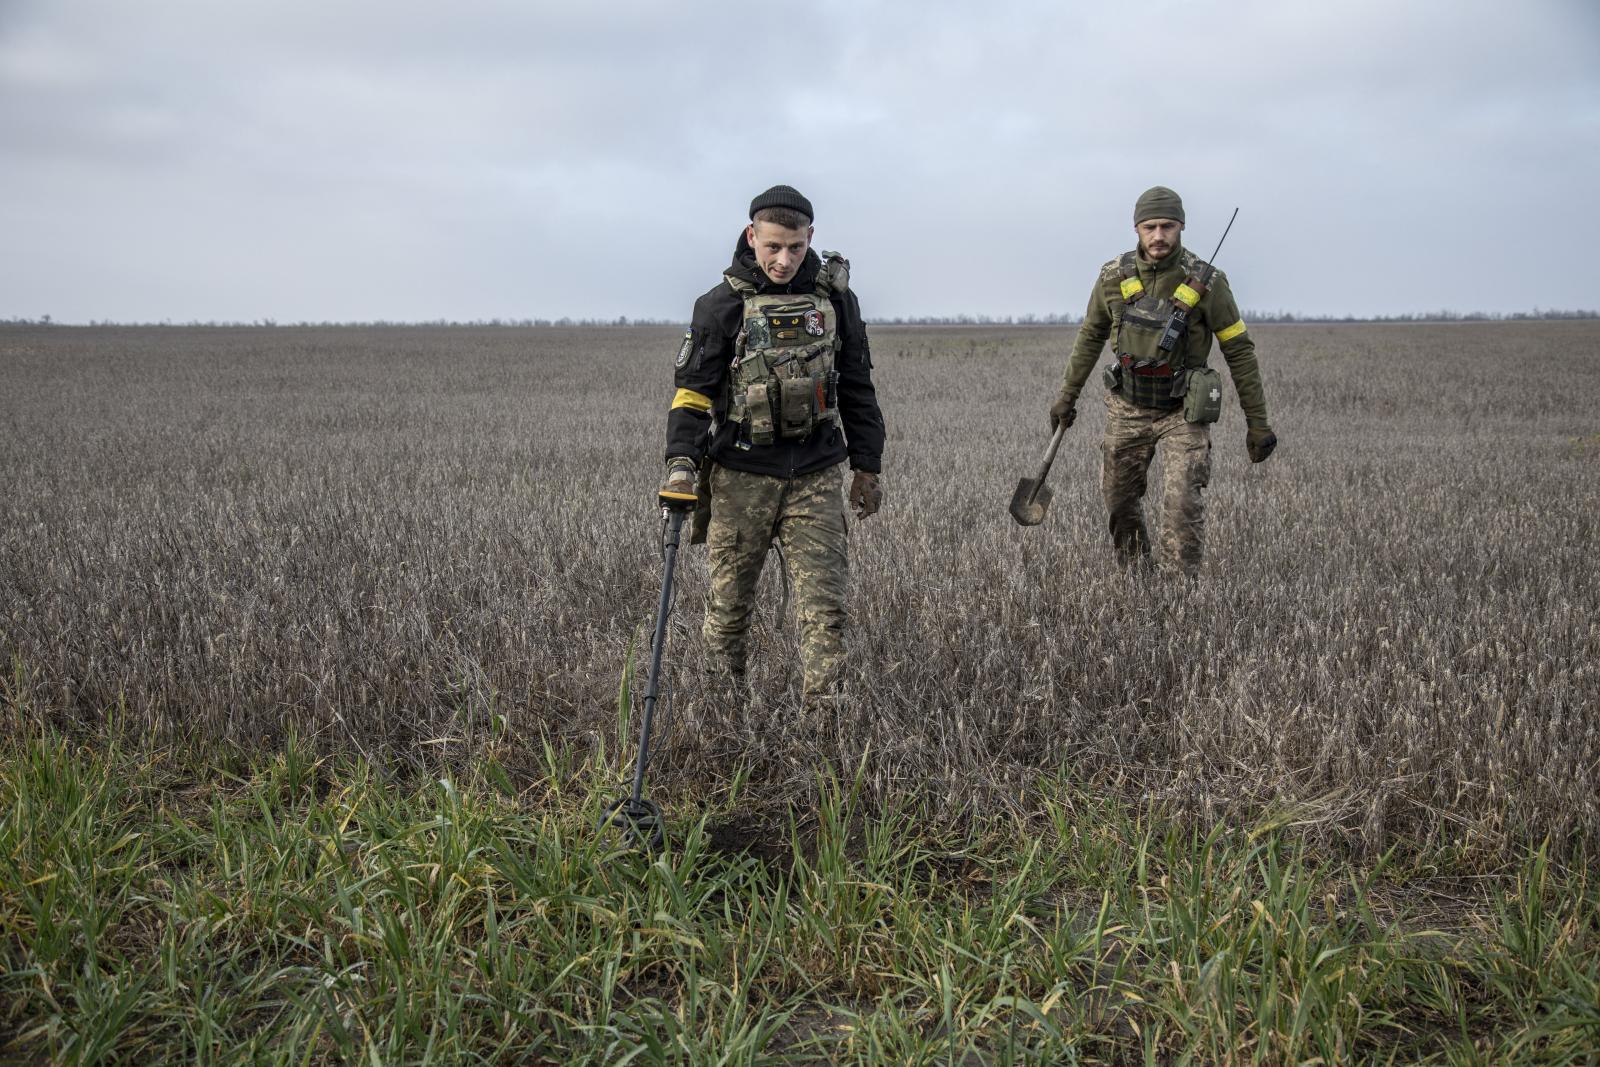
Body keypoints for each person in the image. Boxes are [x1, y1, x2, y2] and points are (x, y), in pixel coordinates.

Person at [659, 184, 885, 709]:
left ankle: (825, 725)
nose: (784, 260)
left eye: (796, 248)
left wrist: (867, 467)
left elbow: (856, 386)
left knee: (824, 610)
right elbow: (691, 396)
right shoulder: (719, 306)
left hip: (817, 474)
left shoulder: (837, 301)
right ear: (751, 236)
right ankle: (721, 717)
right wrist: (681, 468)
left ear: (811, 240)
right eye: (773, 247)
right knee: (728, 607)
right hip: (740, 476)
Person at [1049, 186, 1276, 574]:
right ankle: (1138, 577)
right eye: (1150, 226)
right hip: (1126, 406)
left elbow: (1239, 350)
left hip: (1182, 411)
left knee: (1181, 505)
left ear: (1181, 226)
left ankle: (1177, 594)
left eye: (1167, 226)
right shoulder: (1110, 277)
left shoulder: (1209, 281)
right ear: (1136, 228)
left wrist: (1258, 424)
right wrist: (1065, 396)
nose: (1158, 236)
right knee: (1118, 501)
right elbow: (1090, 336)